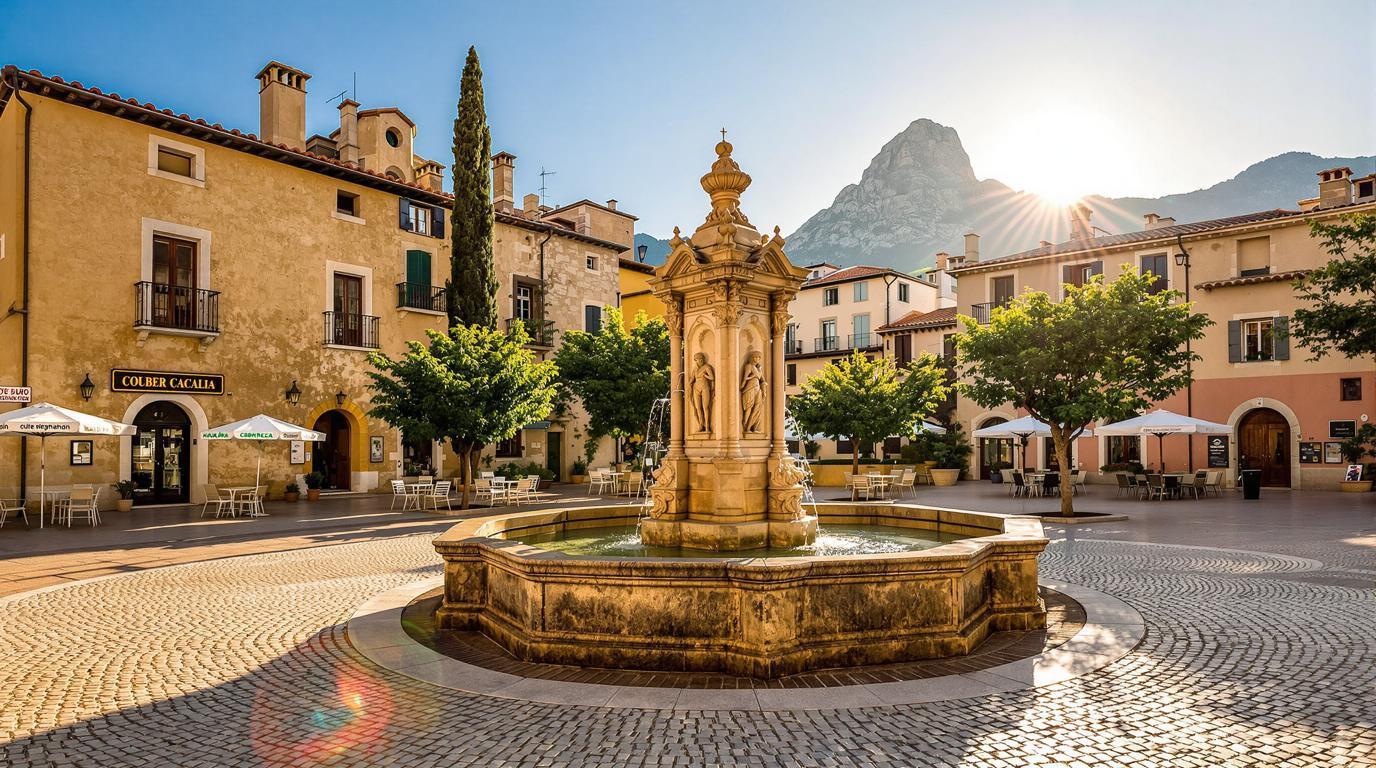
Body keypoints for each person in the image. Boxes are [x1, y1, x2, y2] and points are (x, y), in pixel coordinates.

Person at [740, 351, 766, 433]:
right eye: (756, 357)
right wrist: (743, 384)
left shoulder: (757, 368)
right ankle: (745, 426)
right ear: (752, 358)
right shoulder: (749, 366)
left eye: (759, 357)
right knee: (749, 408)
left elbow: (762, 379)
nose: (757, 359)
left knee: (757, 408)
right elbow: (745, 378)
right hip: (749, 388)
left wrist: (764, 390)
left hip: (757, 388)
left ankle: (751, 427)